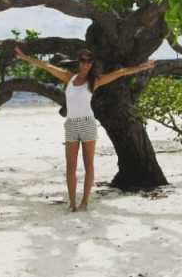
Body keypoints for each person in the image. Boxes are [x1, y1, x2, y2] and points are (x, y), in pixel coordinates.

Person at [14, 46, 156, 212]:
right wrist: (25, 58)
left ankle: (84, 203)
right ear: (78, 62)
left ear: (91, 64)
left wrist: (142, 67)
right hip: (71, 124)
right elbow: (46, 66)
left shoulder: (94, 81)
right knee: (70, 166)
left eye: (89, 62)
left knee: (89, 165)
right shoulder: (69, 78)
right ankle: (72, 203)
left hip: (87, 123)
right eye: (83, 61)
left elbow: (121, 73)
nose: (86, 64)